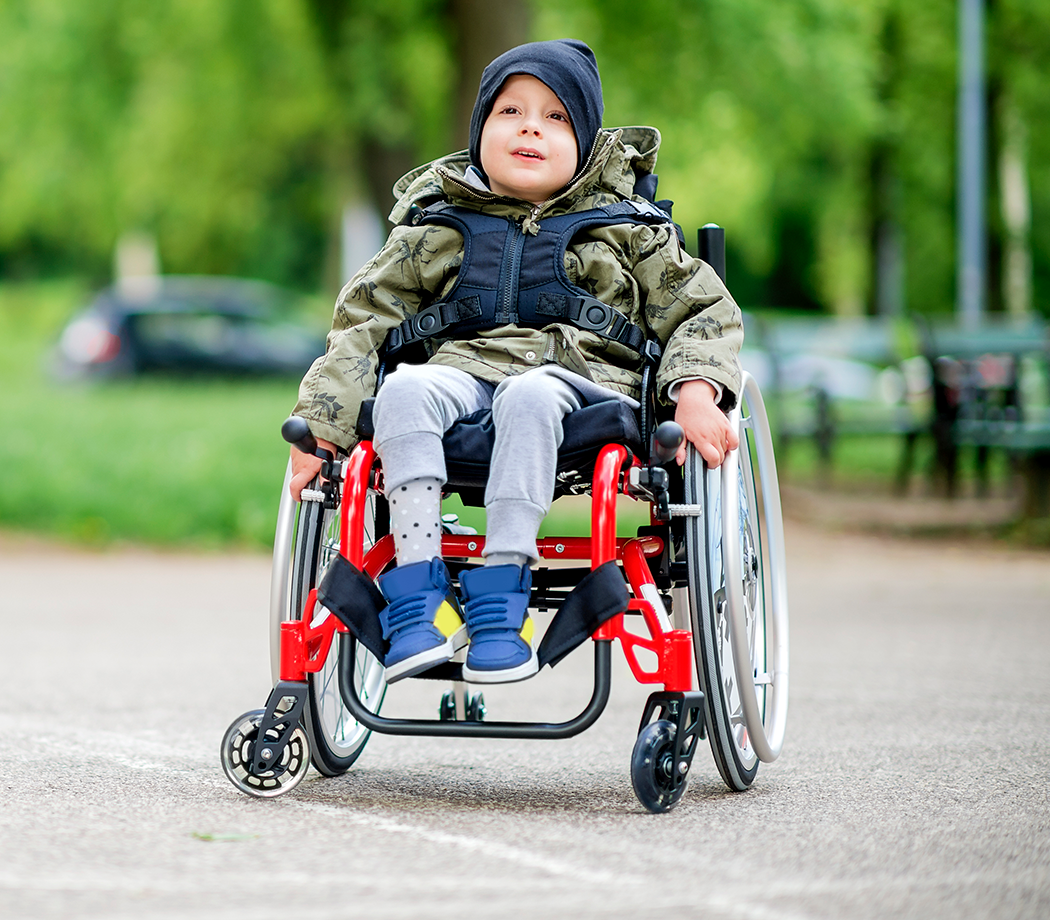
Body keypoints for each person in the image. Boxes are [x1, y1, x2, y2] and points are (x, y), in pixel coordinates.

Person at [289, 39, 742, 686]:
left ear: (584, 146)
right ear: (479, 134)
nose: (531, 125)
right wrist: (322, 427)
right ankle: (416, 598)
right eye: (511, 111)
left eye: (556, 117)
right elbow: (363, 322)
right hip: (466, 377)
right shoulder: (435, 228)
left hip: (583, 389)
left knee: (529, 397)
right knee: (405, 391)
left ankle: (501, 595)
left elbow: (705, 312)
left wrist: (696, 391)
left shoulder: (627, 230)